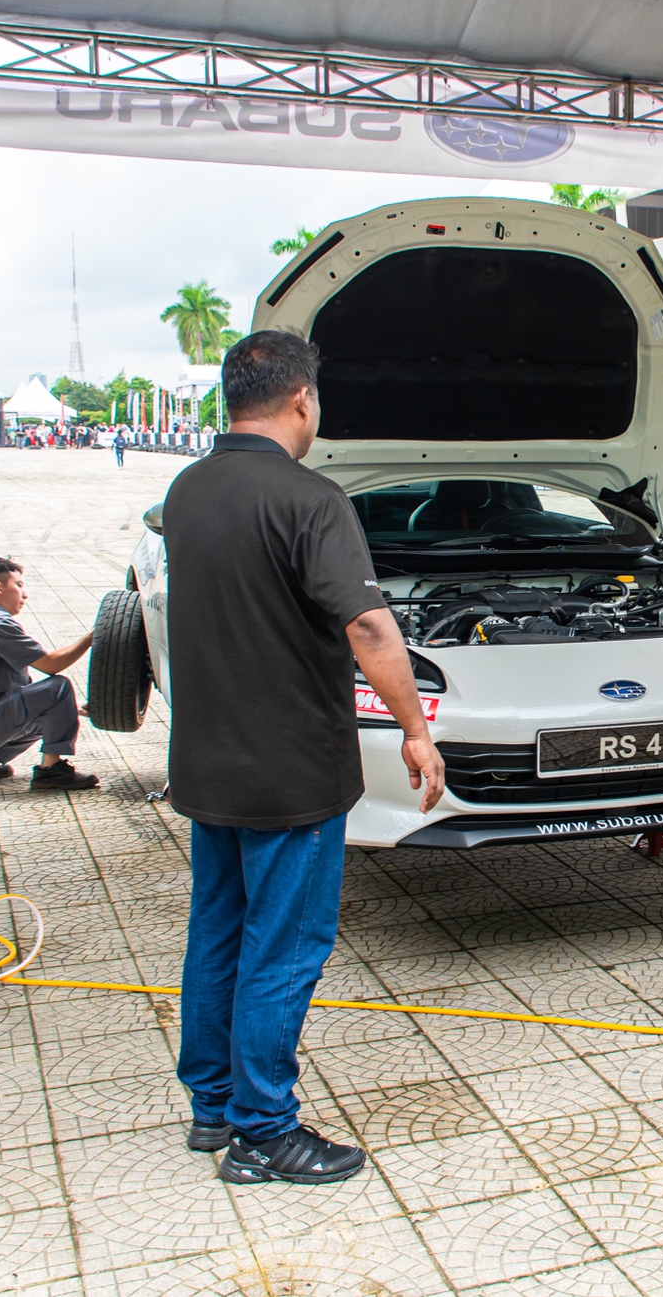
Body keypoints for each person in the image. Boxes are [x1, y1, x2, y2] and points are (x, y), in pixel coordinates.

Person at [167, 329, 445, 1185]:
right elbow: (367, 626)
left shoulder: (186, 490)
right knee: (284, 946)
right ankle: (263, 1130)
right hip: (291, 770)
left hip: (210, 763)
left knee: (217, 932)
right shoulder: (312, 499)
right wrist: (415, 727)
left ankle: (213, 1107)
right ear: (302, 401)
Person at [0, 557, 99, 790]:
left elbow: (25, 694)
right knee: (59, 686)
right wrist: (89, 638)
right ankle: (50, 772)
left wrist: (70, 709)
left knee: (52, 714)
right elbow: (51, 665)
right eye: (19, 585)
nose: (25, 595)